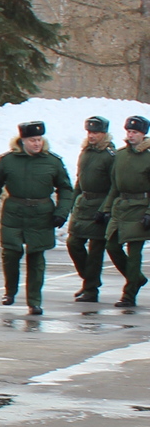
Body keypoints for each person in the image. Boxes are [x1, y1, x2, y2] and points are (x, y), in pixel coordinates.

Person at [0, 121, 75, 315]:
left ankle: (34, 301)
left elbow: (65, 188)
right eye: (32, 140)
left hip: (41, 214)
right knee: (11, 253)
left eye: (39, 139)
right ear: (22, 140)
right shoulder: (8, 161)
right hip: (14, 212)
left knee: (37, 257)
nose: (37, 143)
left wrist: (61, 212)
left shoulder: (52, 162)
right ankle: (10, 291)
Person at [67, 116, 128, 303]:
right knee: (73, 243)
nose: (92, 136)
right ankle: (89, 281)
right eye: (90, 132)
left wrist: (106, 208)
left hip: (100, 205)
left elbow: (114, 185)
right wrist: (73, 200)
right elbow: (80, 179)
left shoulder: (110, 155)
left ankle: (91, 290)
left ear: (104, 134)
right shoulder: (86, 151)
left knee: (96, 250)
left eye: (96, 132)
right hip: (83, 203)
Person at [101, 114, 150, 308]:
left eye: (135, 132)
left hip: (140, 207)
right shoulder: (120, 155)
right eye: (129, 131)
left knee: (134, 252)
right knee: (111, 246)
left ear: (143, 134)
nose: (131, 135)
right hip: (121, 206)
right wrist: (106, 209)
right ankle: (136, 278)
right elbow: (114, 186)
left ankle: (129, 295)